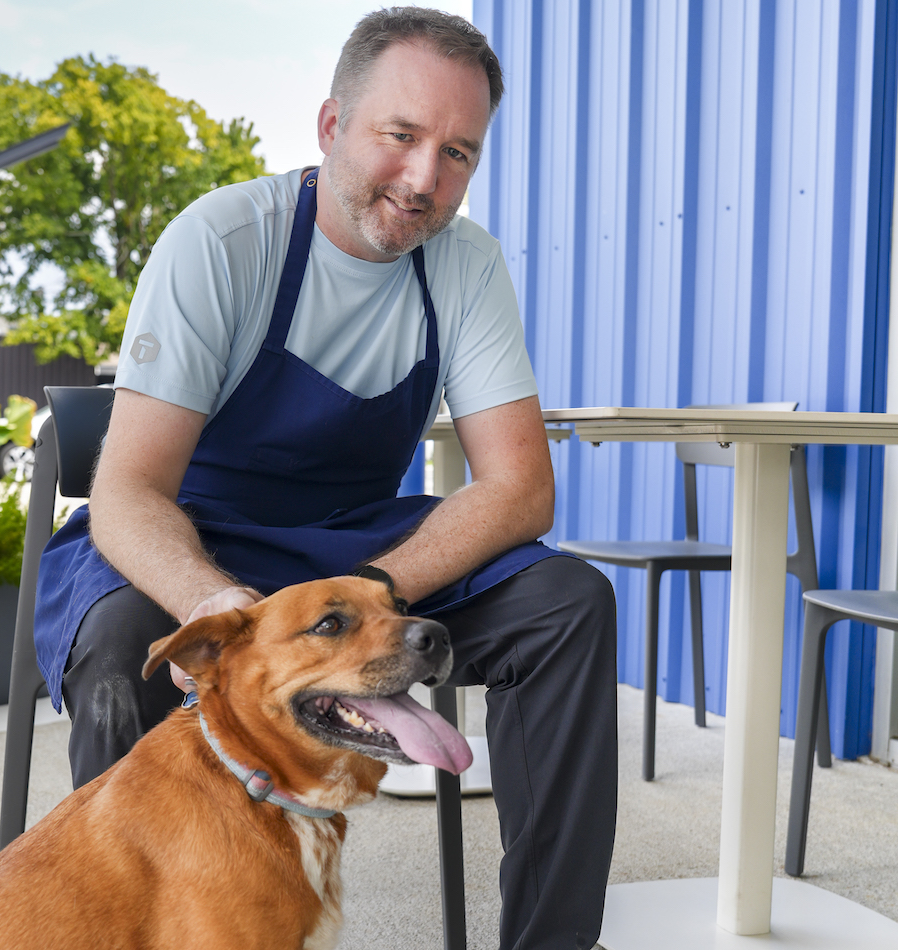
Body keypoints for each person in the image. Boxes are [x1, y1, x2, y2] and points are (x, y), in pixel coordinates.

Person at [34, 7, 617, 948]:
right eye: (402, 136)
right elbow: (129, 491)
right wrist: (233, 614)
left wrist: (369, 599)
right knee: (122, 643)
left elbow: (519, 490)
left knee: (569, 602)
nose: (426, 179)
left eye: (459, 152)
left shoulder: (466, 266)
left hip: (362, 548)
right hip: (200, 538)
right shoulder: (224, 242)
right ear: (331, 125)